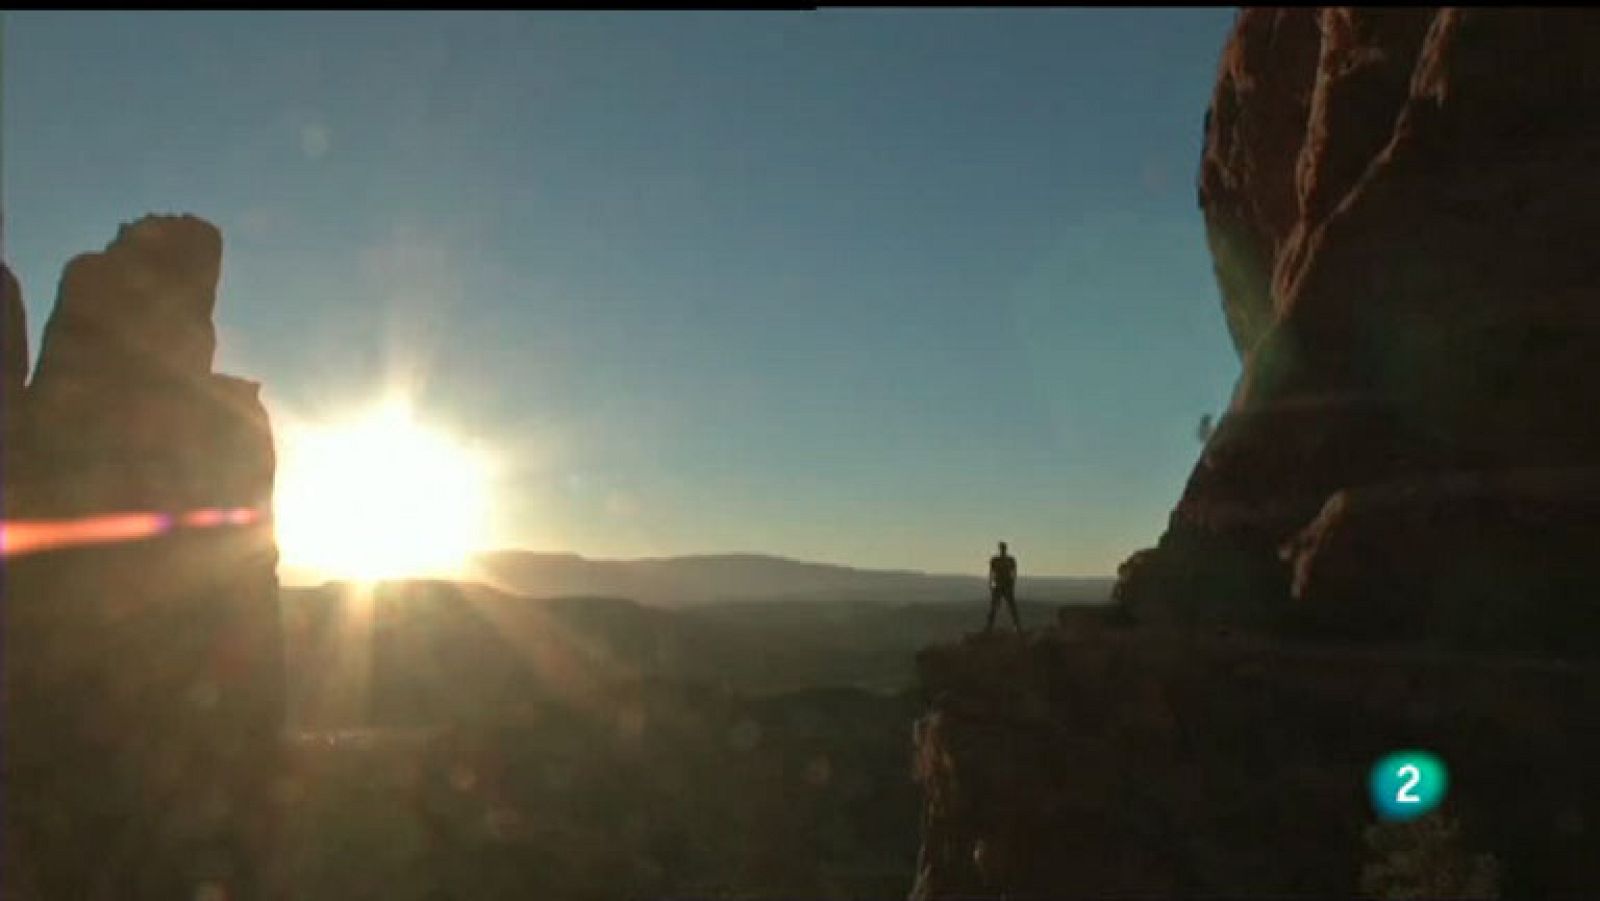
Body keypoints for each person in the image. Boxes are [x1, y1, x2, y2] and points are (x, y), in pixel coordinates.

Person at [986, 541, 1021, 634]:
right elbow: (991, 573)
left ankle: (1017, 626)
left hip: (1005, 585)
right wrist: (991, 584)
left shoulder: (1007, 560)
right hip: (1000, 585)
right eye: (1002, 548)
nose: (1003, 550)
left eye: (1003, 548)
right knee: (995, 607)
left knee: (1010, 607)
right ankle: (989, 627)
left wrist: (1012, 583)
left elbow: (1014, 573)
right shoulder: (999, 560)